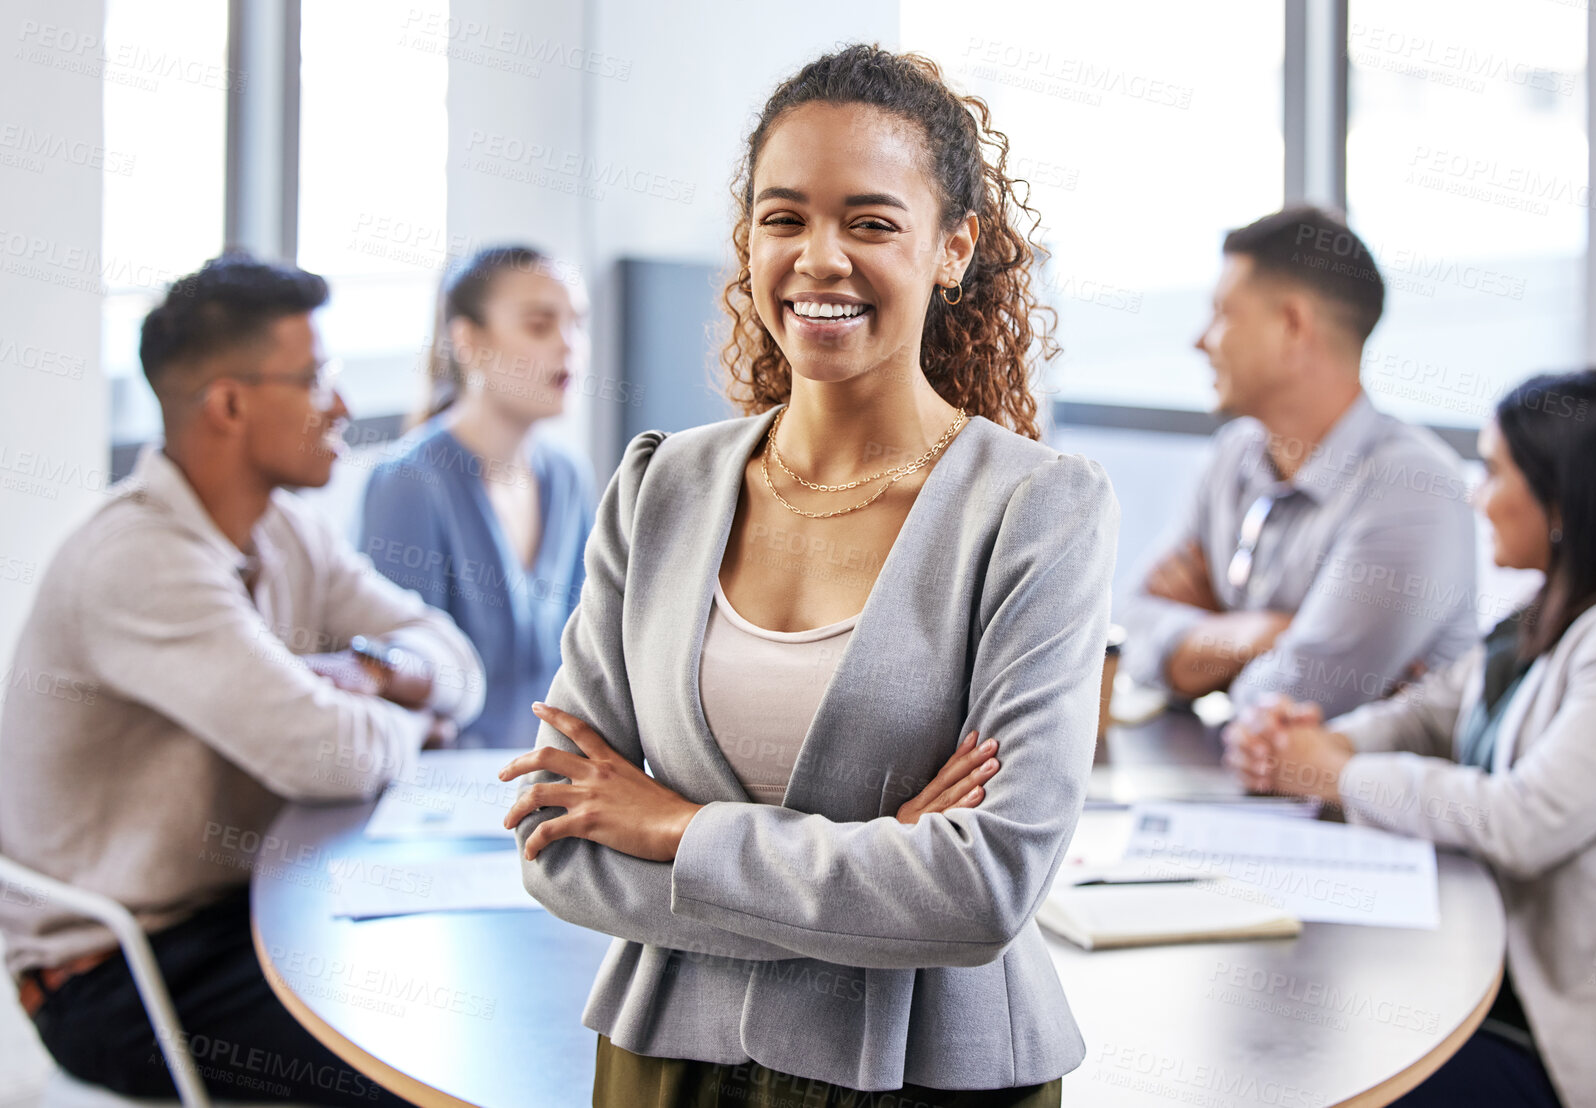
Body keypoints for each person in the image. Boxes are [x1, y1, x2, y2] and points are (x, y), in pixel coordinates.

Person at [498, 45, 1117, 1107]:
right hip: (665, 1064)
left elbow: (980, 891)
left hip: (929, 1073)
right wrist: (877, 871)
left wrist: (675, 826)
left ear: (952, 248)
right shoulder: (659, 489)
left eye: (870, 223)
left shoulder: (1035, 510)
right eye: (783, 218)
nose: (819, 257)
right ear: (746, 241)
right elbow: (562, 849)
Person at [1224, 369, 1596, 1108]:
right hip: (1536, 989)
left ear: (1563, 498)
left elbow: (1524, 820)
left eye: (1494, 471)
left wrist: (1334, 775)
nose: (1475, 494)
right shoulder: (1547, 611)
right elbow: (1431, 715)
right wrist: (1312, 743)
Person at [0, 254, 484, 1105]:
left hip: (246, 907)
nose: (339, 404)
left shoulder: (289, 531)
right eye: (315, 378)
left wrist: (375, 672)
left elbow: (455, 661)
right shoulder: (140, 562)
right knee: (423, 1062)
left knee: (468, 979)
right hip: (117, 973)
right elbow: (329, 757)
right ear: (228, 404)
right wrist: (416, 721)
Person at [1120, 207, 1477, 721]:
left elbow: (1294, 698)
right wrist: (1259, 633)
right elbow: (1130, 628)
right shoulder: (1233, 454)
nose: (1200, 341)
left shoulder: (1415, 489)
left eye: (1223, 313)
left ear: (1291, 325)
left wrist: (1206, 638)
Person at [360, 245, 597, 747]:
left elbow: (589, 662)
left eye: (577, 323)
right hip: (445, 798)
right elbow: (405, 684)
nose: (569, 344)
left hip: (554, 786)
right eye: (539, 325)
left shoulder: (568, 476)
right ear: (468, 340)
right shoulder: (409, 483)